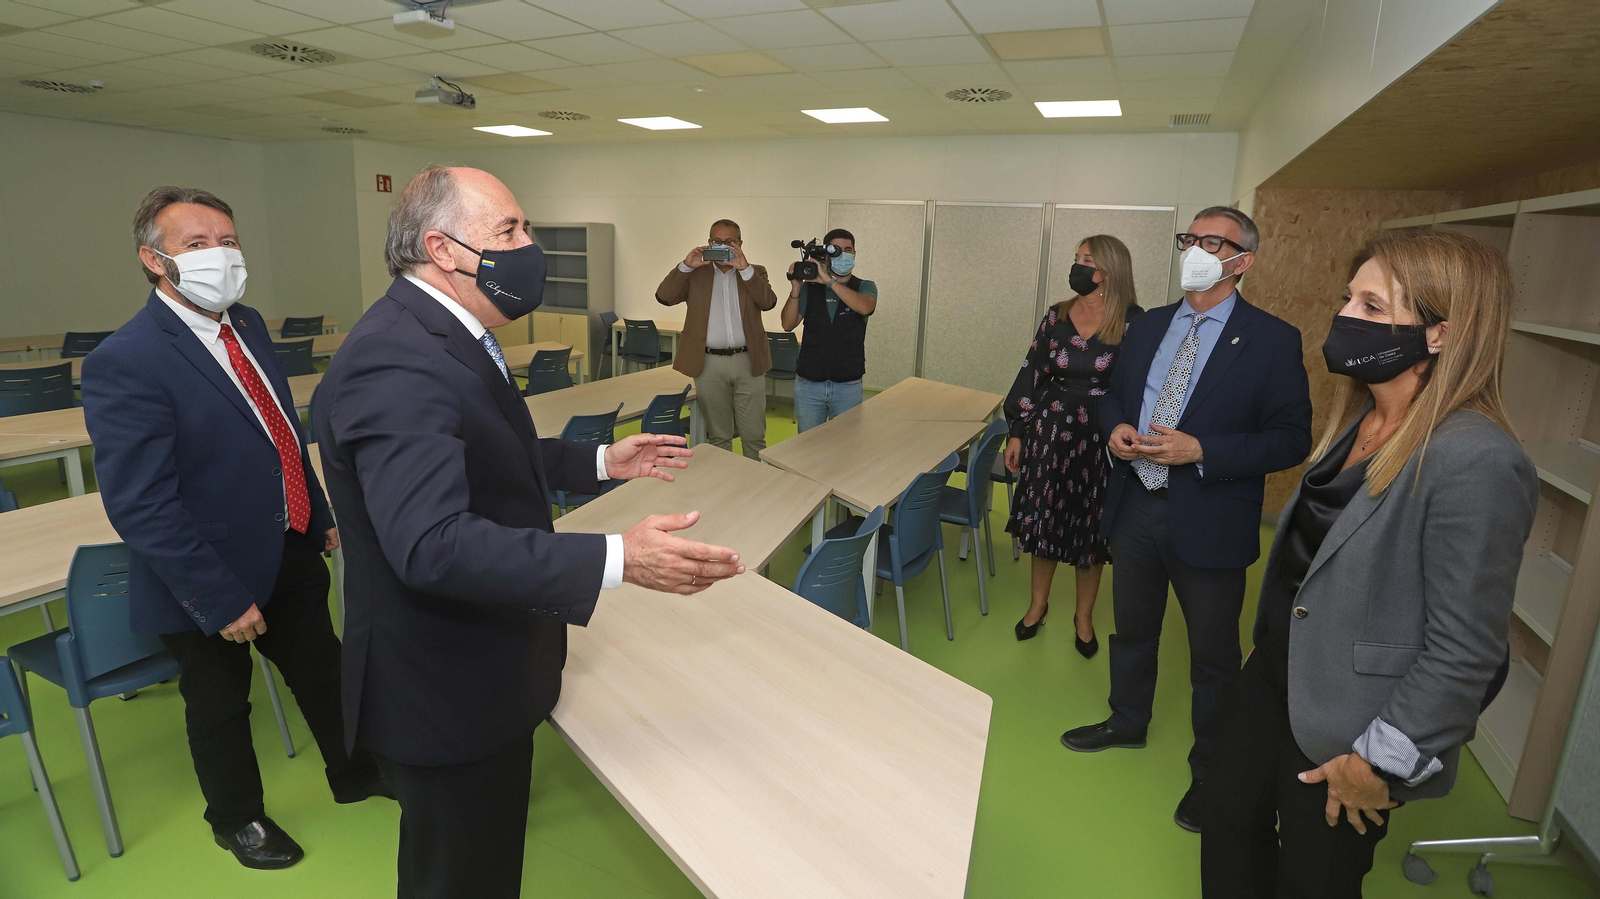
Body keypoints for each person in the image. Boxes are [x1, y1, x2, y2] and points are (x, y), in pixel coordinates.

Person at [315, 166, 746, 899]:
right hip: (445, 690)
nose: (529, 246)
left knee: (458, 870)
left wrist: (601, 458)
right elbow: (432, 543)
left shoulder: (447, 332)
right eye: (509, 230)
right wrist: (619, 556)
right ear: (442, 248)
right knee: (462, 879)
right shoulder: (396, 358)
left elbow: (483, 458)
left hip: (483, 668)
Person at [1202, 230, 1537, 896]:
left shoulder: (1475, 458)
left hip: (1350, 724)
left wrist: (1379, 761)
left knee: (1313, 877)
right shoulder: (1360, 419)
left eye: (1374, 306)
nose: (1346, 316)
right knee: (1227, 822)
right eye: (1348, 299)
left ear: (1440, 334)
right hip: (1273, 676)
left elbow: (1465, 648)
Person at [82, 186, 389, 870]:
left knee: (323, 669)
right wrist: (219, 597)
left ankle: (356, 771)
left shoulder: (244, 323)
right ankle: (237, 818)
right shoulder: (127, 359)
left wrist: (318, 511)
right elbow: (140, 501)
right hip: (202, 573)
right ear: (153, 260)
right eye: (197, 243)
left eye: (227, 239)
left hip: (286, 543)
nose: (220, 254)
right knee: (220, 704)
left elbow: (277, 425)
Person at [1060, 206, 1313, 833]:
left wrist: (1204, 450)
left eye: (1210, 241)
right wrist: (1115, 426)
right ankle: (1127, 721)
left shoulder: (1272, 340)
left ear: (1242, 261)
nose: (1194, 249)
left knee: (1212, 658)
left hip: (1210, 518)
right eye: (1189, 239)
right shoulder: (1146, 325)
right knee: (1134, 629)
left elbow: (1289, 439)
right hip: (1136, 506)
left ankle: (1214, 774)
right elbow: (1115, 396)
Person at [1002, 234, 1142, 655]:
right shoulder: (1056, 315)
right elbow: (1033, 372)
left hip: (1102, 437)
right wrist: (1016, 431)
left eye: (1087, 260)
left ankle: (1083, 616)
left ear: (1109, 271)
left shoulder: (1135, 321)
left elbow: (1139, 385)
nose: (1077, 266)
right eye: (1076, 258)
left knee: (1091, 530)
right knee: (1044, 519)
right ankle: (1037, 605)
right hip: (1050, 429)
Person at [656, 219, 778, 459]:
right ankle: (724, 488)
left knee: (754, 435)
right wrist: (685, 266)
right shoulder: (695, 274)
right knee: (719, 436)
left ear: (740, 243)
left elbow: (768, 302)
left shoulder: (755, 271)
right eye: (717, 241)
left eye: (730, 242)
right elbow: (664, 296)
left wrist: (745, 269)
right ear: (709, 242)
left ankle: (757, 488)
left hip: (748, 361)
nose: (723, 246)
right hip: (708, 363)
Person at [780, 227, 877, 431]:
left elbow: (865, 307)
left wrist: (829, 281)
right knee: (807, 447)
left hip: (847, 385)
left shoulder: (864, 286)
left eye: (848, 249)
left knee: (845, 447)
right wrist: (796, 288)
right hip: (809, 384)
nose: (843, 254)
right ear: (826, 254)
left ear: (855, 253)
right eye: (836, 250)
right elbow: (788, 324)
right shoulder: (810, 288)